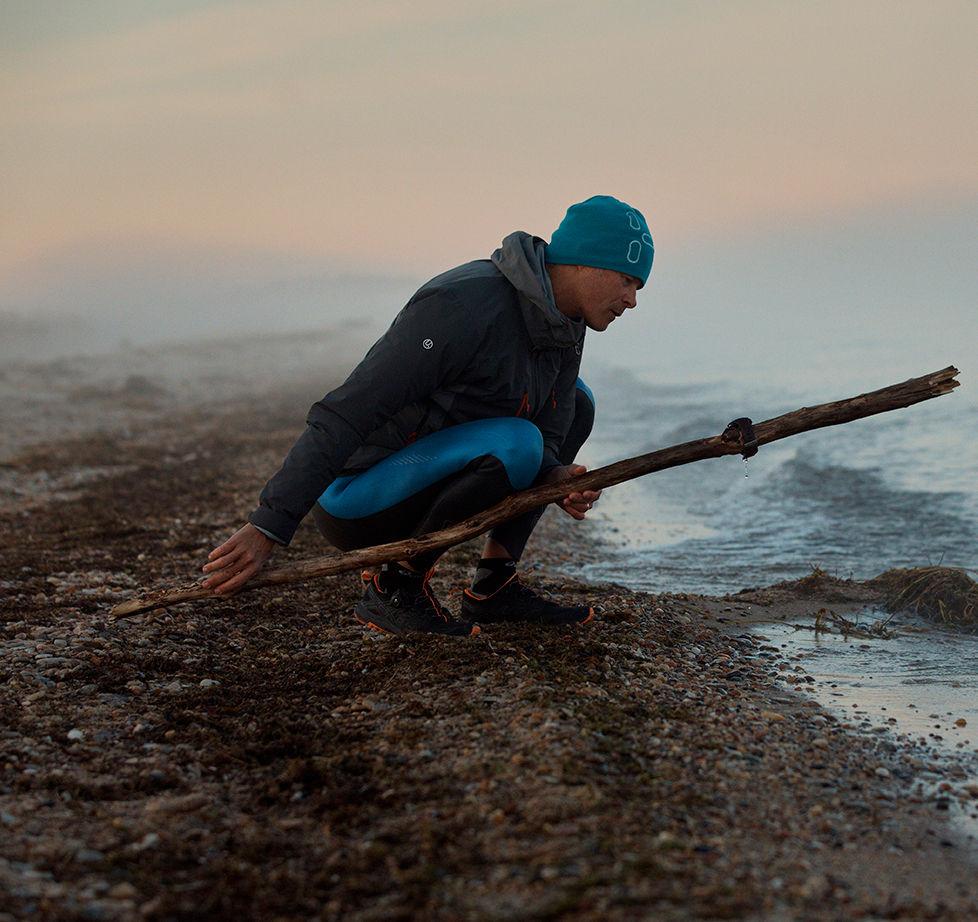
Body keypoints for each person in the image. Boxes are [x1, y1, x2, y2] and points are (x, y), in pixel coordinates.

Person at [200, 196, 652, 635]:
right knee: (518, 443)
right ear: (583, 261)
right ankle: (395, 587)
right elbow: (347, 412)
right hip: (358, 494)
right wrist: (270, 523)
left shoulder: (566, 322)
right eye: (627, 280)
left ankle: (494, 585)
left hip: (441, 471)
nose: (632, 300)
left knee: (578, 403)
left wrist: (556, 478)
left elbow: (552, 432)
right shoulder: (464, 303)